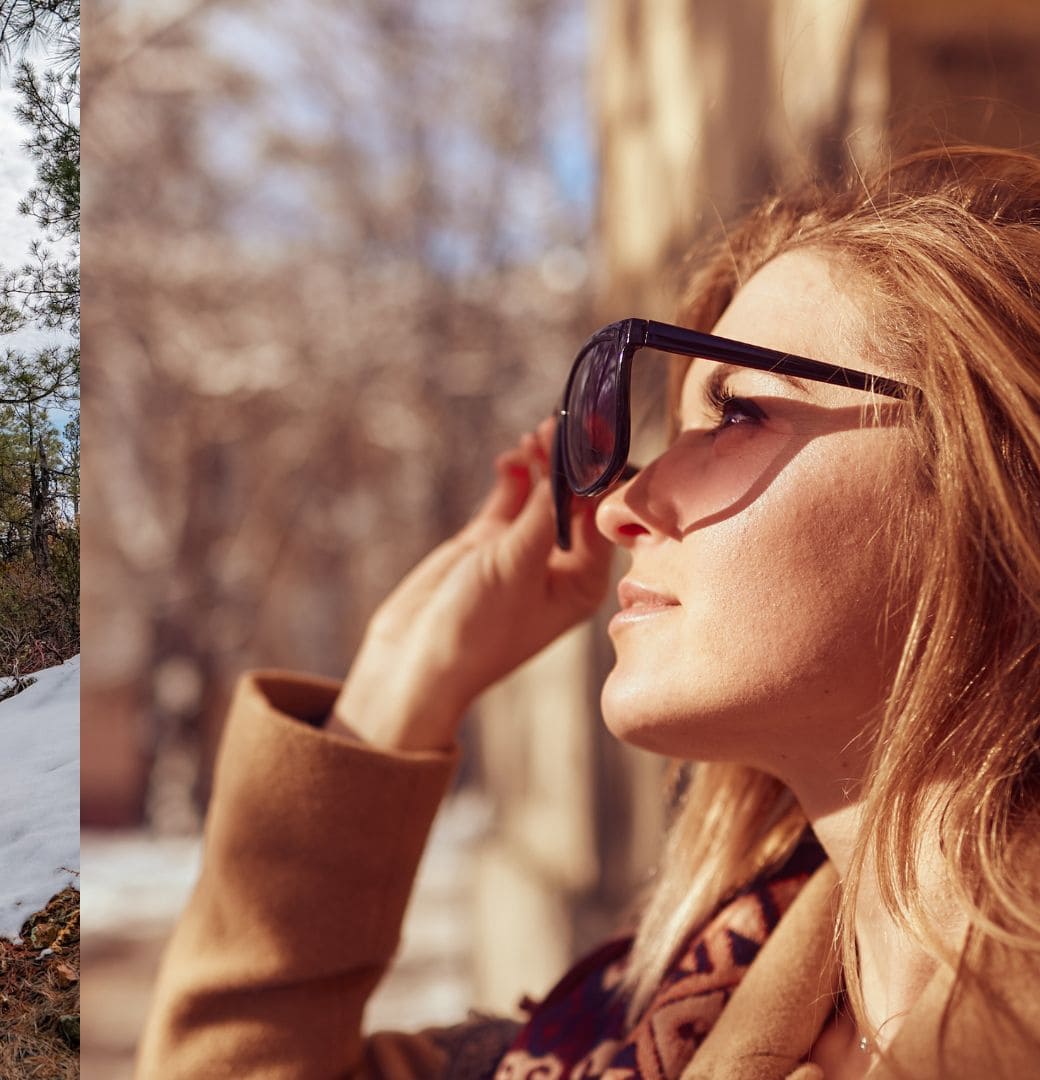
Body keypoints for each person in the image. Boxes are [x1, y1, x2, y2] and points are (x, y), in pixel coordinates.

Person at [134, 144, 1040, 1079]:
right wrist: (409, 667)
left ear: (1002, 487)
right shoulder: (653, 1028)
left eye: (736, 416)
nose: (618, 507)